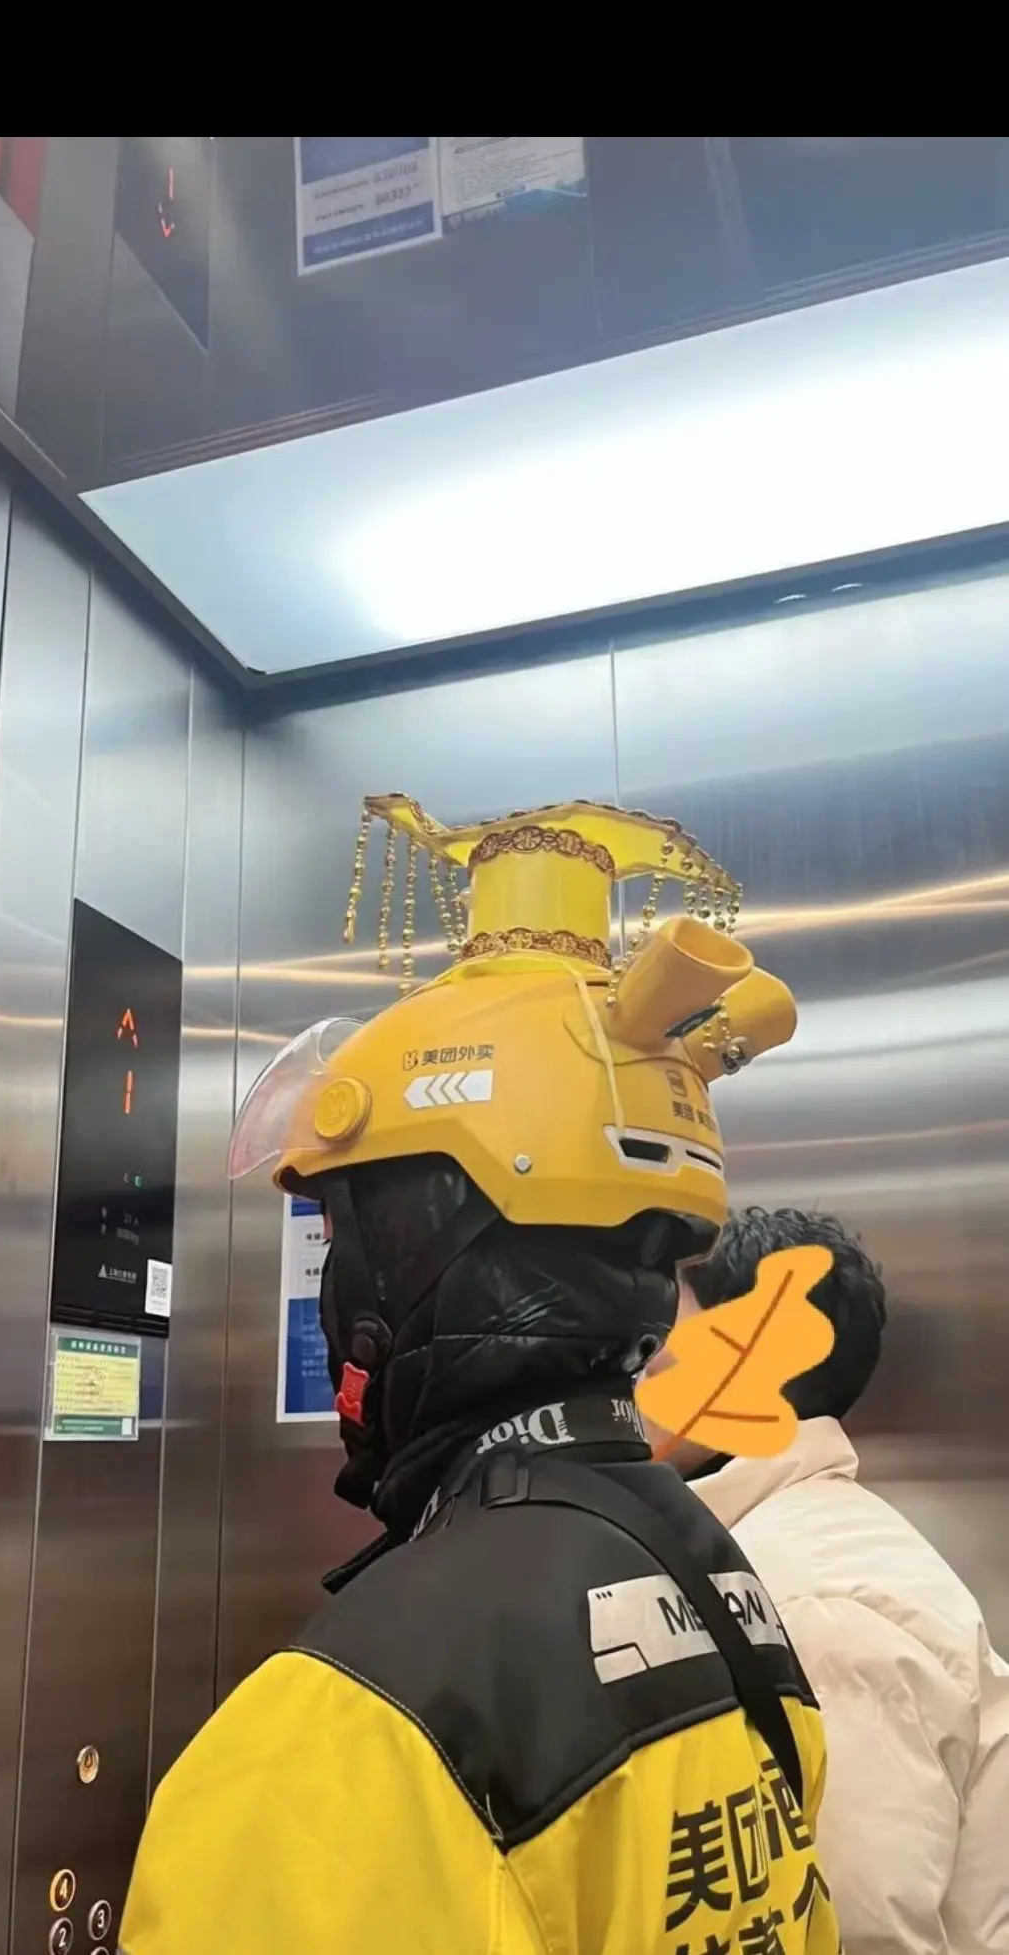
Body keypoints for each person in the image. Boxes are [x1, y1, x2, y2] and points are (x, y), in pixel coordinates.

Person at [120, 795, 840, 1955]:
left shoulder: (343, 1730)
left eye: (339, 1241)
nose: (331, 1296)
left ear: (418, 1257)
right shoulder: (725, 1592)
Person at [641, 1204, 1009, 1955]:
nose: (639, 1362)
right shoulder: (768, 1548)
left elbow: (860, 1929)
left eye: (667, 1333)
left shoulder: (814, 1603)